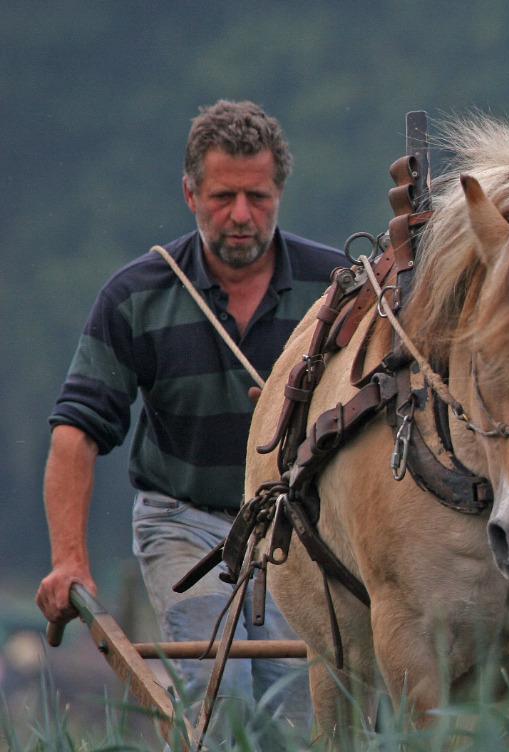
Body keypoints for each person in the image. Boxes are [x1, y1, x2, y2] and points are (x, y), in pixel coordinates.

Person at [35, 100, 348, 721]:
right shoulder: (136, 296)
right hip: (184, 521)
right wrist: (69, 560)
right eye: (223, 197)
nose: (241, 215)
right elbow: (76, 432)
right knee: (220, 696)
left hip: (297, 526)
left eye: (258, 197)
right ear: (190, 194)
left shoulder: (337, 289)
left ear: (280, 193)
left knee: (299, 713)